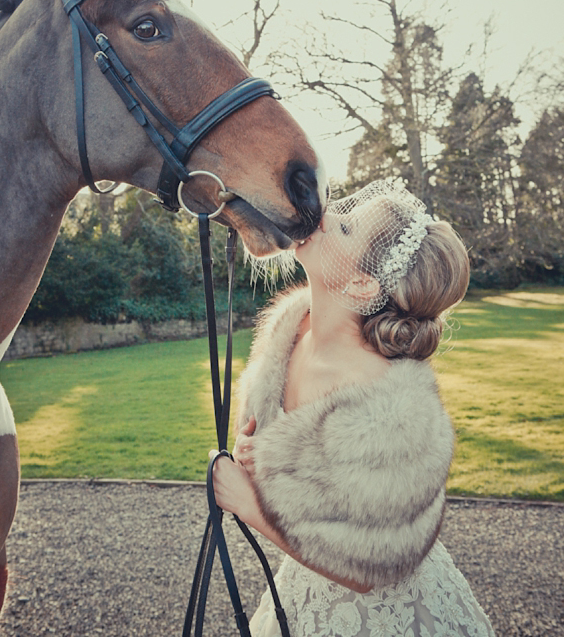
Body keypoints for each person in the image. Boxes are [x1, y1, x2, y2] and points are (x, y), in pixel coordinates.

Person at [210, 180, 495, 637]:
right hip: (300, 594)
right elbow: (304, 470)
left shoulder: (386, 409)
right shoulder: (292, 330)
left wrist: (250, 506)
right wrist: (256, 456)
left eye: (342, 228)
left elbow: (365, 573)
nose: (320, 215)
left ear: (362, 284)